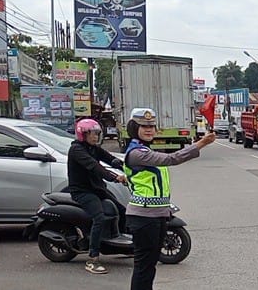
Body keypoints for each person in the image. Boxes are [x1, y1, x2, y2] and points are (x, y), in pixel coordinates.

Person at [123, 108, 216, 290]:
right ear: (135, 128)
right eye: (143, 126)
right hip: (144, 217)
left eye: (151, 126)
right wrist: (201, 143)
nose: (149, 129)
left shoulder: (144, 150)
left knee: (149, 266)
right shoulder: (138, 153)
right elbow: (172, 158)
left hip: (157, 215)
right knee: (144, 267)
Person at [67, 118, 128, 274]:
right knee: (99, 218)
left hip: (97, 189)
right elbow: (95, 167)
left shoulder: (93, 148)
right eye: (92, 134)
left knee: (122, 210)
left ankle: (122, 244)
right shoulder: (77, 150)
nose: (95, 137)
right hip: (82, 192)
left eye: (97, 134)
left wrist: (126, 165)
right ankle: (92, 258)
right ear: (82, 134)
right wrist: (115, 177)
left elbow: (109, 158)